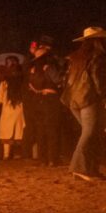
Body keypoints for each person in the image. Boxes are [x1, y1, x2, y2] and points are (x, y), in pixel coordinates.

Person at [63, 27, 106, 181]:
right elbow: (98, 81)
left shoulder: (75, 57)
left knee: (93, 134)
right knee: (89, 134)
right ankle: (79, 168)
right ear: (98, 41)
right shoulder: (98, 57)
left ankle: (91, 168)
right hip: (89, 99)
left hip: (73, 99)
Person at [26, 36, 63, 166]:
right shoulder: (49, 66)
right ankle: (53, 159)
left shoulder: (33, 68)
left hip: (37, 99)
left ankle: (42, 159)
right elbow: (58, 80)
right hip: (50, 99)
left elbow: (30, 85)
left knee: (40, 130)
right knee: (52, 129)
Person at [0, 58, 26, 160]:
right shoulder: (22, 83)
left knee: (6, 132)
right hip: (19, 109)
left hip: (7, 109)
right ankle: (18, 154)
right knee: (18, 132)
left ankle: (6, 154)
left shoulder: (4, 83)